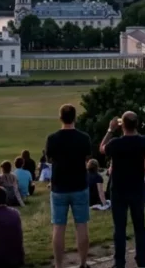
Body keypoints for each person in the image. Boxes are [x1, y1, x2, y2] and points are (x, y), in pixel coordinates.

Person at [101, 111, 145, 268]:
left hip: (119, 189)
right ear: (136, 125)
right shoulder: (144, 141)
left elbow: (102, 148)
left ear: (122, 125)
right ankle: (141, 259)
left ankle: (119, 262)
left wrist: (110, 130)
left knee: (120, 228)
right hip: (137, 188)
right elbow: (141, 139)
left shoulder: (116, 143)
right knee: (139, 226)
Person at [45, 104, 91, 268]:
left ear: (60, 118)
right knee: (81, 225)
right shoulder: (84, 138)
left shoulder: (52, 138)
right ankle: (83, 263)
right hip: (79, 185)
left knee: (58, 227)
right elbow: (87, 157)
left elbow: (50, 159)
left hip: (59, 187)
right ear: (75, 118)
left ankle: (58, 265)